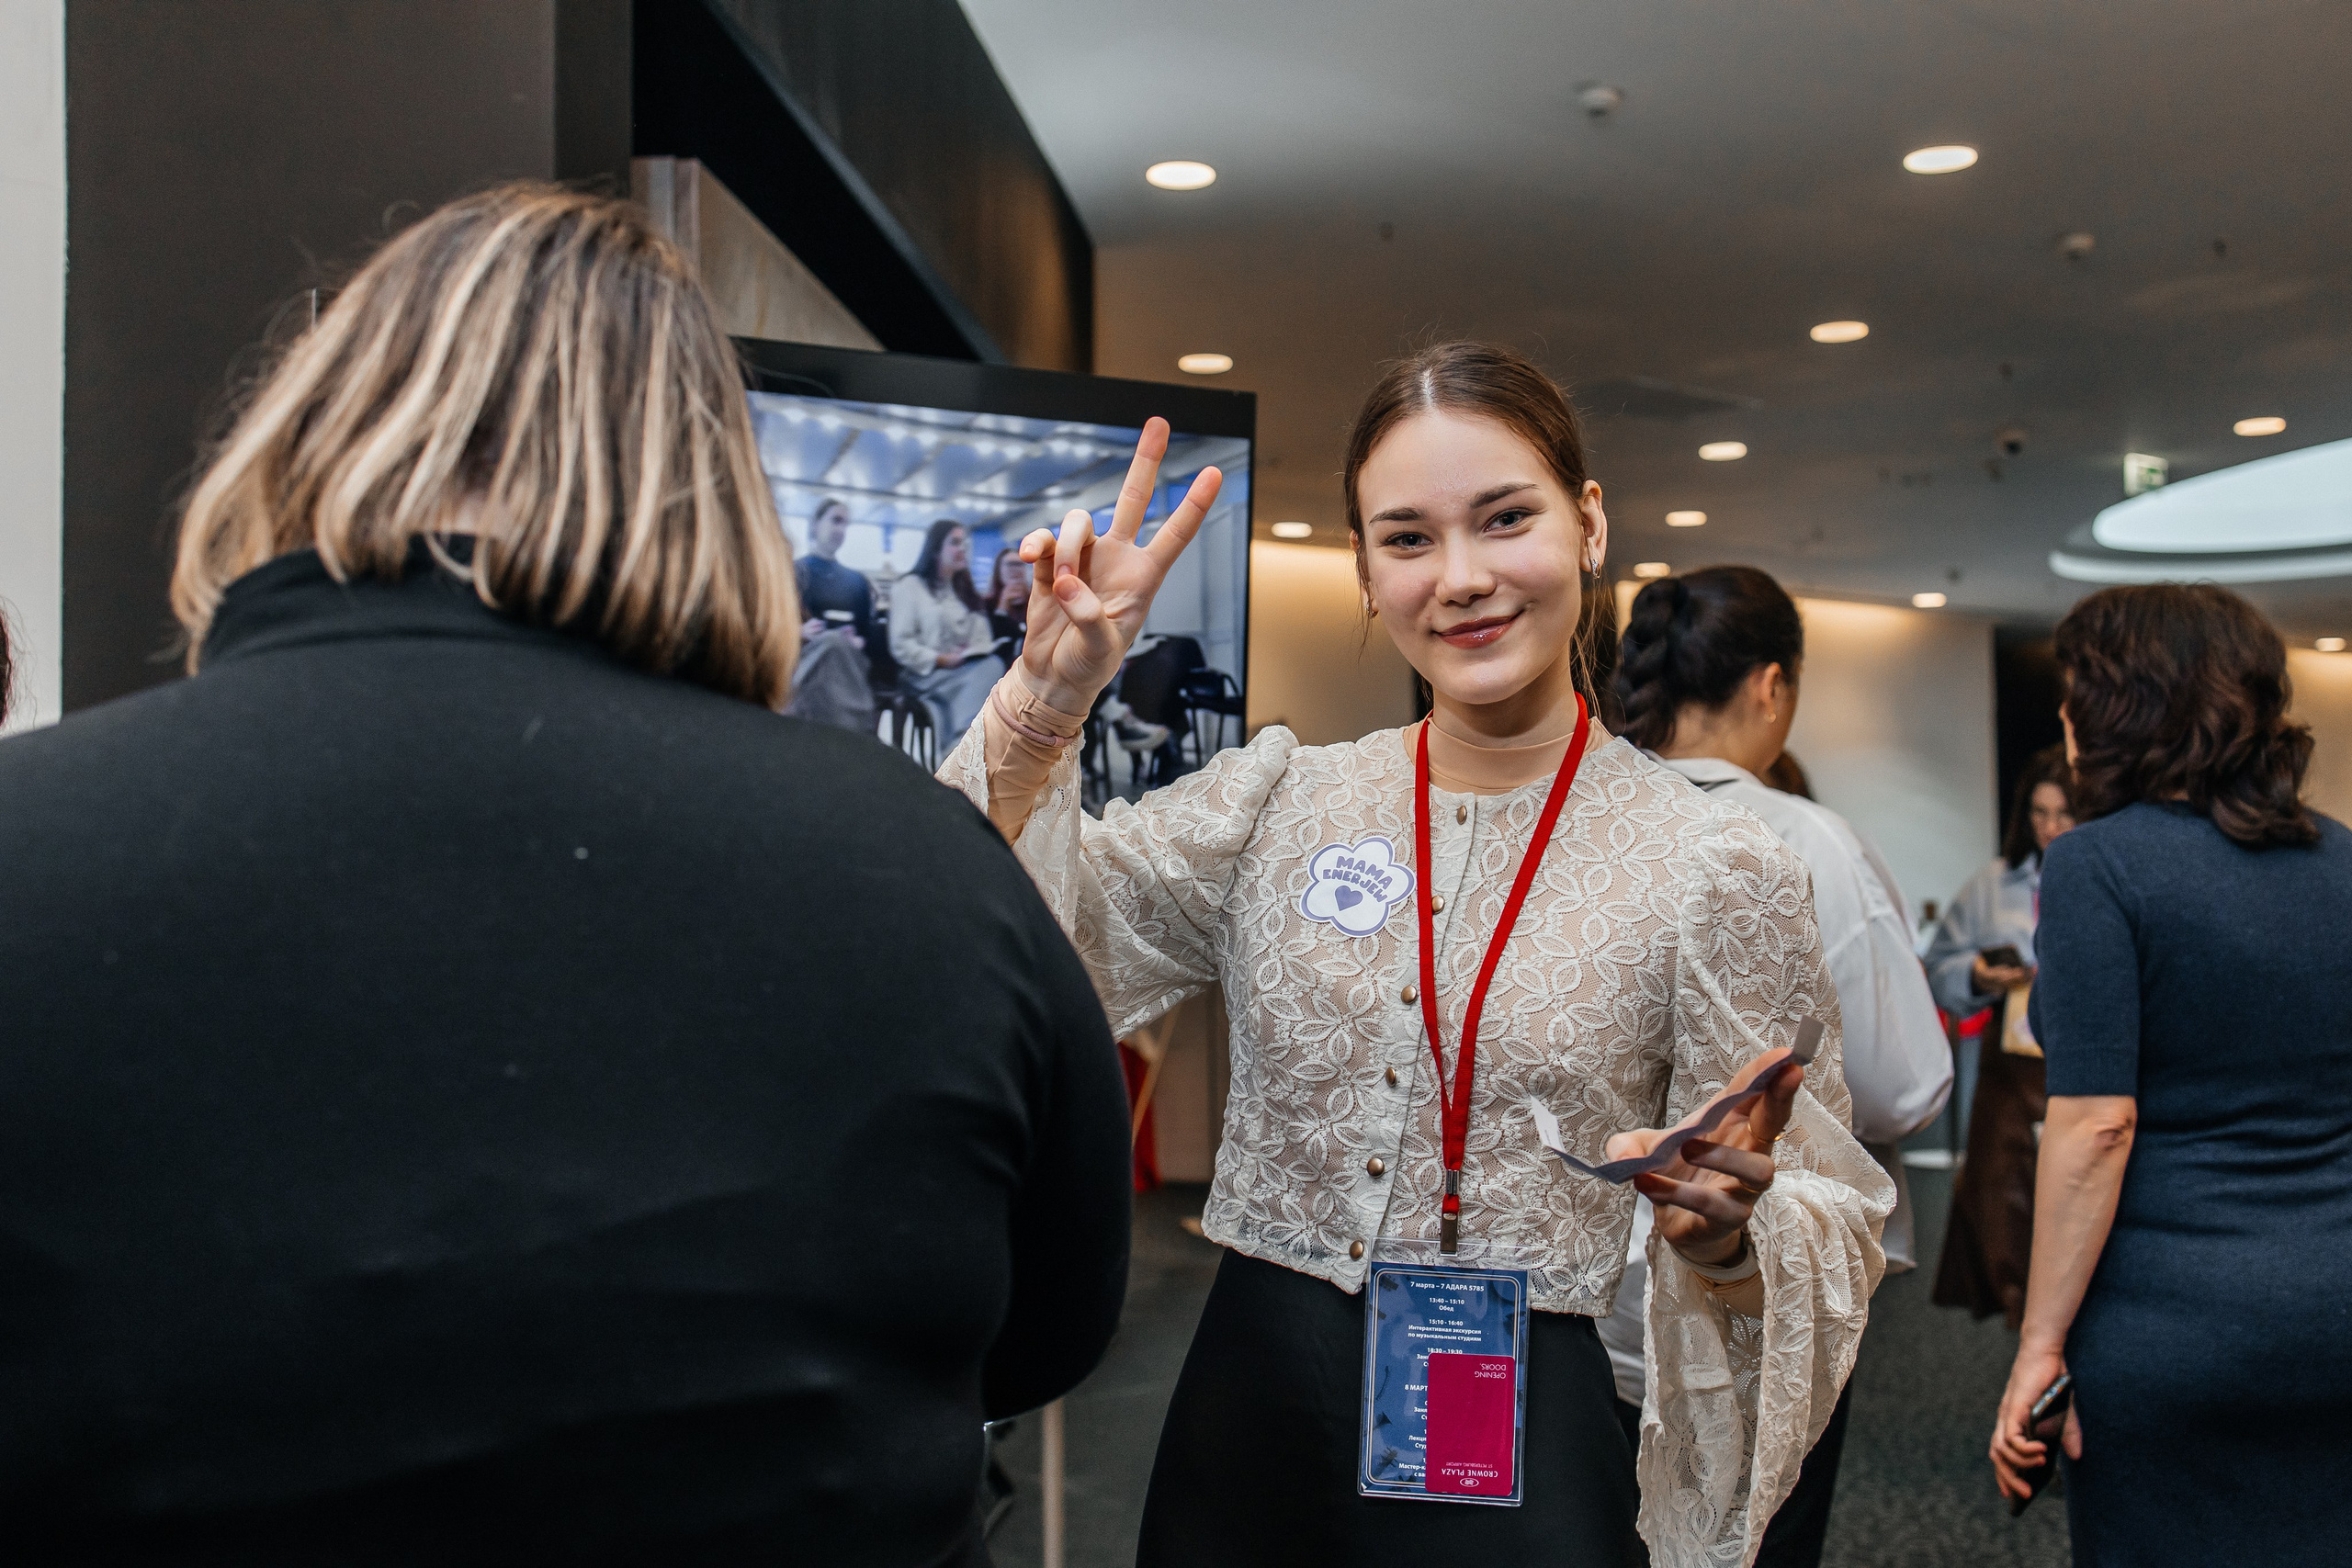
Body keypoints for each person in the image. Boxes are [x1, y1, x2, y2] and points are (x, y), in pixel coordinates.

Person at [0, 185, 1131, 1566]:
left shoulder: (29, 840)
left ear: (311, 431)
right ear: (713, 490)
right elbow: (1046, 1330)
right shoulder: (940, 879)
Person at [946, 342, 1894, 1567]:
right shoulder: (1279, 799)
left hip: (1524, 1416)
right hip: (1253, 1404)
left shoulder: (1712, 860)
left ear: (1590, 523)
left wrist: (1726, 1231)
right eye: (1406, 537)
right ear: (1364, 567)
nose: (1462, 578)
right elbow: (1006, 956)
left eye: (1505, 519)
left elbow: (1828, 1201)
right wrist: (1046, 694)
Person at [1991, 583, 2352, 1559]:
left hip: (2173, 1326)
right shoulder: (2346, 863)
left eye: (2075, 691)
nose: (2063, 715)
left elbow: (2096, 1126)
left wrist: (2037, 1351)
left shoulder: (2097, 866)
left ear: (2121, 707)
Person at [1604, 566, 1952, 1568]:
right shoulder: (1806, 840)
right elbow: (1903, 1086)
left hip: (1573, 1302)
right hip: (1752, 1284)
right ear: (1770, 685)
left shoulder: (1577, 831)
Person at [1927, 744, 2075, 1325]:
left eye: (2065, 814)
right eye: (2040, 813)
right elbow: (1941, 966)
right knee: (2005, 1211)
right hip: (2012, 1073)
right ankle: (2022, 1324)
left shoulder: (2105, 877)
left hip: (2074, 1068)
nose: (2051, 828)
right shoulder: (1993, 885)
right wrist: (1977, 974)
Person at [889, 518, 1005, 750]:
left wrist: (970, 651)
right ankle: (964, 745)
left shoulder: (967, 591)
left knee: (993, 665)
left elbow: (983, 640)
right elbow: (901, 644)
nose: (962, 549)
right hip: (926, 674)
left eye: (964, 543)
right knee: (987, 677)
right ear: (935, 550)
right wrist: (941, 659)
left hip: (965, 669)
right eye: (954, 542)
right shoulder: (909, 587)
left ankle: (964, 744)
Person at [795, 496, 876, 647]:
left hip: (843, 664)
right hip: (803, 664)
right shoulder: (792, 573)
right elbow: (770, 627)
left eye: (845, 524)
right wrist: (800, 632)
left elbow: (866, 633)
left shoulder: (858, 582)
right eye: (836, 520)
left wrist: (857, 641)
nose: (841, 530)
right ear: (815, 524)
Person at [988, 540, 1029, 665]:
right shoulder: (987, 605)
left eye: (1019, 565)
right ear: (998, 571)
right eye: (1010, 564)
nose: (1015, 570)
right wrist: (1002, 608)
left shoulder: (1036, 601)